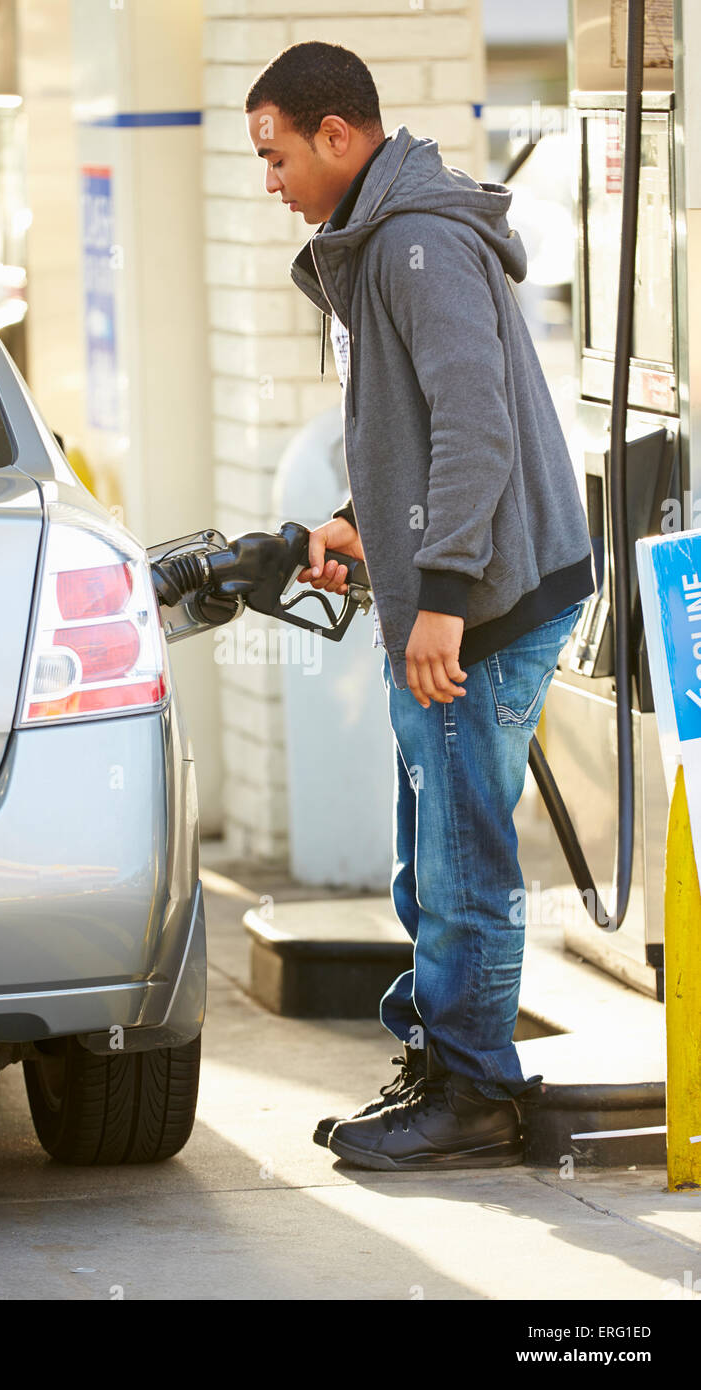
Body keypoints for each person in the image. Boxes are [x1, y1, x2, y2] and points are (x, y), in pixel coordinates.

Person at [244, 41, 596, 1172]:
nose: (269, 180)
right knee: (434, 854)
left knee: (461, 865)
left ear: (334, 136)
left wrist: (437, 592)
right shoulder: (389, 238)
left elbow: (475, 425)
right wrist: (358, 521)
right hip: (466, 588)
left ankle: (474, 1095)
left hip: (481, 601)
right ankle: (442, 1063)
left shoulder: (412, 244)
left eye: (275, 152)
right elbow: (418, 427)